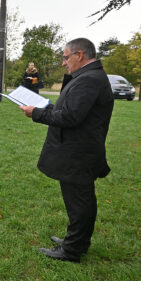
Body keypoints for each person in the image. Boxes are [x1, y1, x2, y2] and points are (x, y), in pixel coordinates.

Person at [19, 38, 114, 263]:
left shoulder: (89, 79)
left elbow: (71, 117)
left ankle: (72, 250)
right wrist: (47, 107)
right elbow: (70, 109)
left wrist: (37, 113)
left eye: (65, 57)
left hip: (79, 152)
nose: (63, 63)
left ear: (79, 55)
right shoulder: (87, 77)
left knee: (80, 201)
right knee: (77, 200)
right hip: (77, 149)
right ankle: (76, 241)